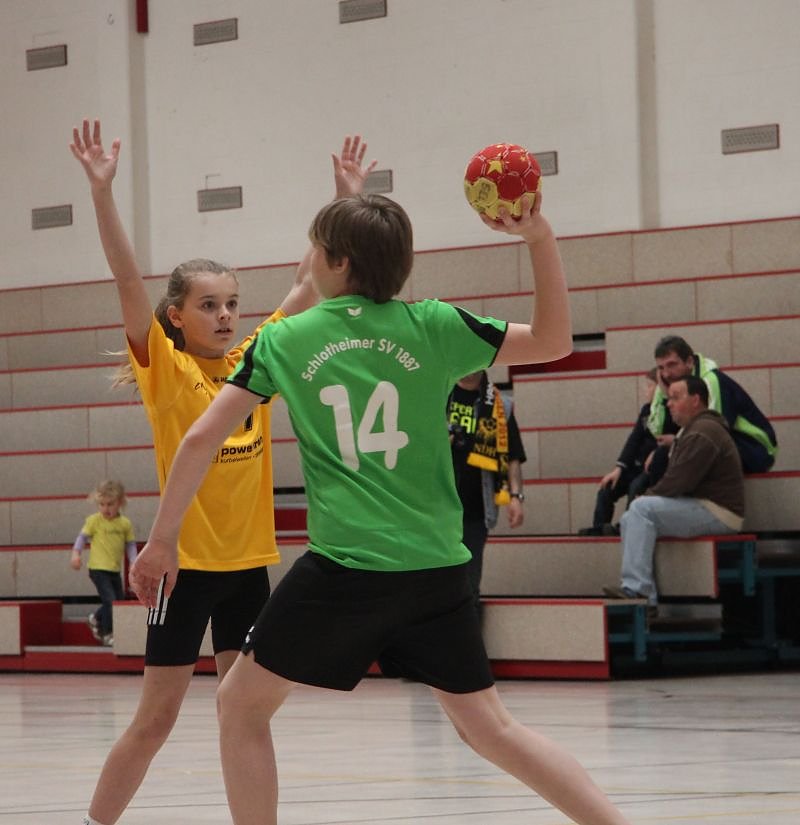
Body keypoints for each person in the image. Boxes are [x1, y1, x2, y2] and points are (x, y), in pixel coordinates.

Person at [131, 191, 633, 825]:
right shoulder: (435, 324)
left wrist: (162, 539)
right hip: (436, 568)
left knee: (241, 705)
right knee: (492, 730)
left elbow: (202, 437)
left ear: (336, 261)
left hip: (345, 570)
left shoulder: (287, 339)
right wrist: (539, 237)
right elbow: (556, 339)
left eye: (314, 244)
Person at [70, 119, 375, 825]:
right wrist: (102, 194)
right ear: (175, 316)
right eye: (209, 305)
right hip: (179, 571)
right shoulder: (166, 368)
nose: (226, 314)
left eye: (232, 303)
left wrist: (342, 202)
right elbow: (124, 277)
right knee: (156, 721)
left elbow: (308, 281)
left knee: (246, 717)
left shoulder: (258, 358)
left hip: (248, 569)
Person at [604, 375, 745, 610]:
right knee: (631, 517)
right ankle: (641, 594)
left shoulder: (704, 431)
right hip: (704, 505)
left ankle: (638, 590)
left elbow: (680, 481)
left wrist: (648, 496)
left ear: (696, 400)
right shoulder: (693, 430)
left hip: (719, 511)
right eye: (668, 398)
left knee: (640, 509)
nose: (669, 403)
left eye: (676, 398)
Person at [447, 370, 526, 614]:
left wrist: (516, 497)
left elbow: (513, 456)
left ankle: (466, 647)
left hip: (475, 509)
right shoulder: (439, 394)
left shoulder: (500, 404)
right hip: (438, 506)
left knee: (469, 584)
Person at [647, 334, 777, 474]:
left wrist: (676, 443)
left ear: (689, 362)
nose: (666, 374)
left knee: (672, 458)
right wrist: (667, 397)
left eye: (672, 365)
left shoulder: (711, 381)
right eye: (661, 368)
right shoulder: (668, 382)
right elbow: (657, 431)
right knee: (652, 468)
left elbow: (713, 432)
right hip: (715, 441)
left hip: (754, 448)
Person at [579, 367, 660, 536]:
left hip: (651, 468)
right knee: (607, 487)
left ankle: (627, 525)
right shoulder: (646, 410)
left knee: (635, 486)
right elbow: (634, 439)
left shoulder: (667, 410)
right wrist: (619, 467)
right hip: (636, 465)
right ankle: (600, 527)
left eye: (650, 386)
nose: (646, 390)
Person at [70, 480, 137, 646]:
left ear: (120, 503)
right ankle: (107, 633)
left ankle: (95, 618)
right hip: (98, 568)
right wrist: (76, 553)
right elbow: (82, 537)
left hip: (114, 569)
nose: (105, 509)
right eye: (102, 504)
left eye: (110, 504)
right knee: (111, 601)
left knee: (118, 602)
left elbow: (130, 545)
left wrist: (134, 562)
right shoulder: (95, 520)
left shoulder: (124, 524)